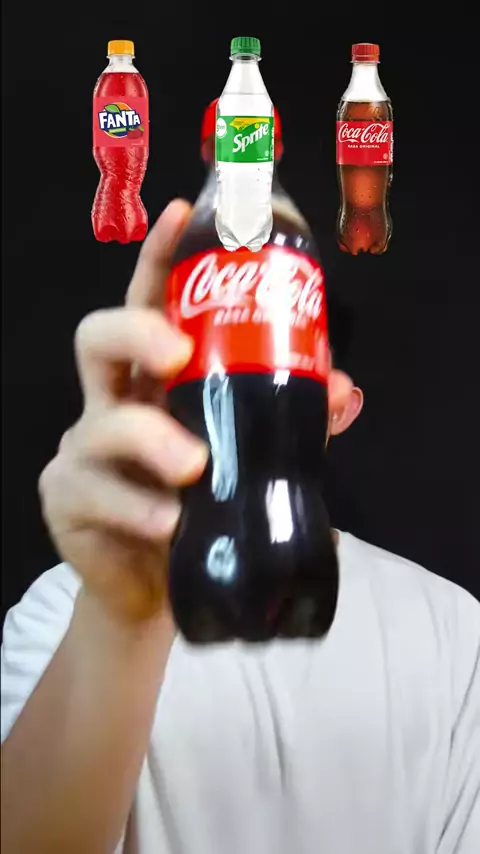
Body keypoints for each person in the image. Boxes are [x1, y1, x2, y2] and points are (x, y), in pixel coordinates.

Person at [1, 200, 479, 854]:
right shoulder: (66, 610)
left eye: (272, 355)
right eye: (223, 353)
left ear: (335, 402)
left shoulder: (454, 627)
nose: (247, 389)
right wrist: (118, 628)